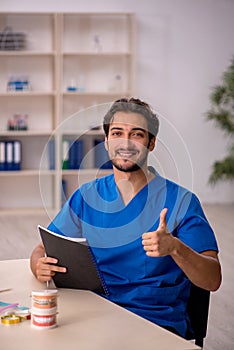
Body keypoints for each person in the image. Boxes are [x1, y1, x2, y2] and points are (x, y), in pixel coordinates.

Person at [30, 97, 221, 339]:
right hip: (92, 315)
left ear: (151, 143)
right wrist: (38, 266)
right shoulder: (87, 196)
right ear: (107, 141)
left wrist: (175, 247)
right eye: (118, 133)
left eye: (137, 134)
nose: (126, 143)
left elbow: (212, 279)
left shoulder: (182, 202)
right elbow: (41, 249)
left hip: (152, 322)